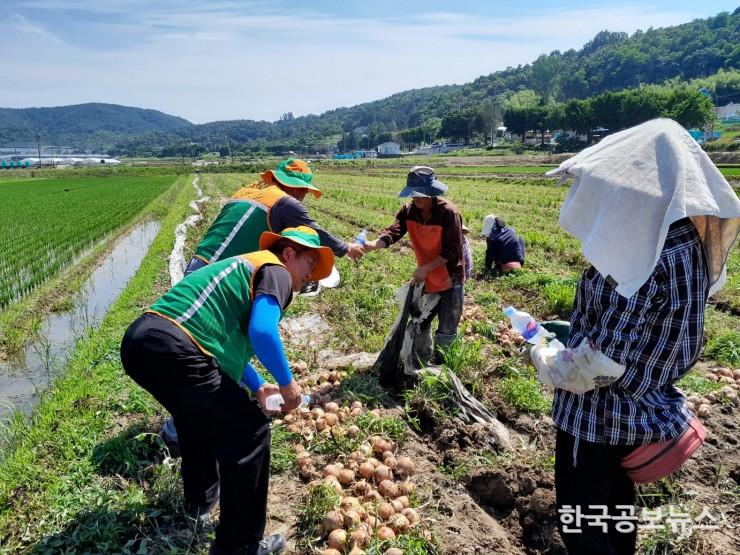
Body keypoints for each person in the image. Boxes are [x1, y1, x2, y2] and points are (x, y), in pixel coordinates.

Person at [531, 118, 740, 555]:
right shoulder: (684, 237)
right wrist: (578, 334)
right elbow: (648, 333)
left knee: (582, 526)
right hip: (640, 409)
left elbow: (601, 367)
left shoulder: (641, 253)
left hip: (596, 416)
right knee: (616, 513)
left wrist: (547, 357)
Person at [120, 226, 334, 555]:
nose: (309, 277)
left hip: (143, 340)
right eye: (309, 264)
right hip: (173, 346)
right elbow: (263, 331)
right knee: (250, 433)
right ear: (289, 253)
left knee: (196, 420)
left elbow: (223, 351)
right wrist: (288, 384)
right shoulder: (273, 270)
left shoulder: (246, 271)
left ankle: (199, 504)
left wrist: (259, 385)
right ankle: (240, 546)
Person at [161, 158, 363, 452]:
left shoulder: (250, 191)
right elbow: (314, 235)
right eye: (304, 191)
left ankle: (203, 417)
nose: (304, 198)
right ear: (294, 187)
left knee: (221, 348)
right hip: (217, 275)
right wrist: (346, 249)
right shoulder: (285, 203)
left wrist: (257, 384)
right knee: (212, 351)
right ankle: (178, 433)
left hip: (201, 269)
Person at [363, 166, 465, 364]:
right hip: (427, 276)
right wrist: (374, 245)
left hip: (450, 276)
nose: (416, 199)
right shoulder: (409, 211)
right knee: (421, 322)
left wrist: (426, 268)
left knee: (447, 326)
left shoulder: (448, 213)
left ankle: (445, 366)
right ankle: (421, 362)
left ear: (432, 193)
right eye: (413, 195)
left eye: (420, 195)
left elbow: (452, 250)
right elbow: (395, 230)